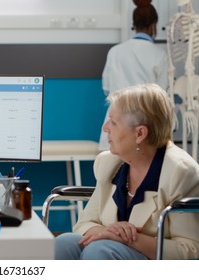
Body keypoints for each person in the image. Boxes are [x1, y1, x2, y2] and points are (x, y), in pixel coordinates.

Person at [55, 83, 199, 260]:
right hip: (109, 251)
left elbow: (190, 250)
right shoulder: (108, 163)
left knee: (99, 250)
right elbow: (85, 223)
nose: (105, 127)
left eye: (113, 122)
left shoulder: (180, 172)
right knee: (63, 243)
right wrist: (108, 232)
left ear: (140, 134)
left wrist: (129, 239)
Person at [99, 0, 168, 151]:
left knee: (111, 172)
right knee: (141, 171)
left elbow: (106, 89)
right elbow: (161, 96)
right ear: (154, 26)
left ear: (134, 25)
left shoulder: (115, 52)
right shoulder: (160, 55)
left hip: (115, 123)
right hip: (143, 126)